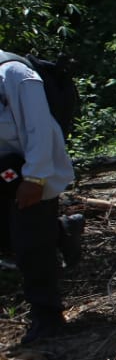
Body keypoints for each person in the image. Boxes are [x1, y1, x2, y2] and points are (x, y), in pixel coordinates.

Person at [0, 55, 76, 344]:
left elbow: (39, 129)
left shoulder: (14, 74)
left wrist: (34, 178)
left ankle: (47, 316)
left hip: (32, 171)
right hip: (4, 170)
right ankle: (61, 231)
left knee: (30, 243)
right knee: (11, 239)